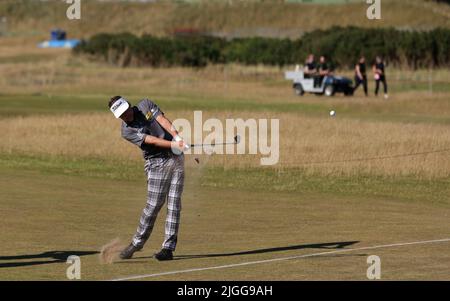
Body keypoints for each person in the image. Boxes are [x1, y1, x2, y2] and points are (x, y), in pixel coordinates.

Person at [108, 96, 188, 261]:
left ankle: (168, 248)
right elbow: (151, 140)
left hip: (176, 159)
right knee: (153, 206)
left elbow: (162, 119)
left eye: (125, 111)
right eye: (121, 115)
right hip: (156, 163)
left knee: (174, 204)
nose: (125, 116)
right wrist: (173, 145)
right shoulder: (126, 131)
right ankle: (136, 243)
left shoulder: (145, 105)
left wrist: (176, 137)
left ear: (129, 105)